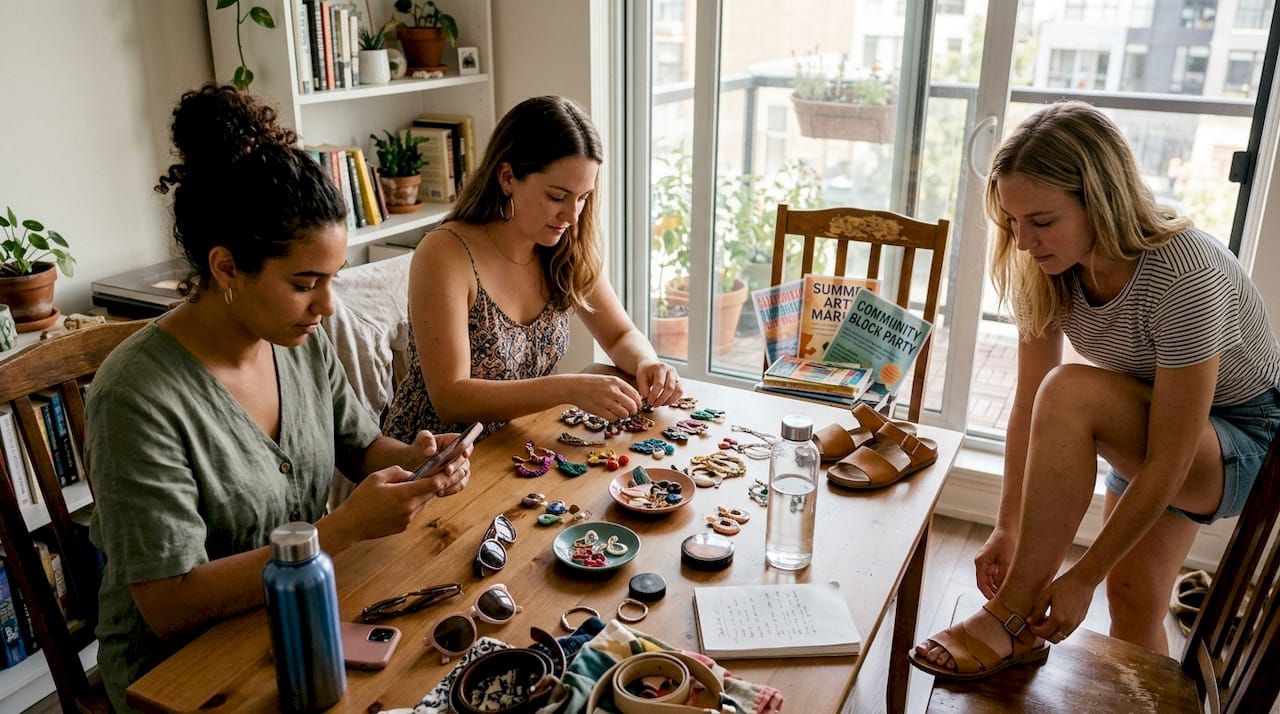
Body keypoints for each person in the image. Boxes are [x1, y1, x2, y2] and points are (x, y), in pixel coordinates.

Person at [85, 84, 473, 711]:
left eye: (333, 280)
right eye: (304, 283)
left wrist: (419, 459)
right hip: (182, 676)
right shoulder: (136, 396)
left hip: (301, 626)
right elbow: (168, 604)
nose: (326, 306)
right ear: (226, 268)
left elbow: (361, 445)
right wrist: (339, 532)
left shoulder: (295, 338)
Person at [912, 100, 1280, 679]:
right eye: (1013, 220)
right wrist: (1006, 527)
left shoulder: (1184, 271)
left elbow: (1171, 455)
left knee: (1072, 392)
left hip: (1238, 435)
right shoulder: (1046, 265)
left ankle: (1008, 619)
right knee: (1132, 600)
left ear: (1101, 200)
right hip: (1142, 415)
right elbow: (1026, 408)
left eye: (1042, 220)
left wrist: (1080, 576)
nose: (1025, 240)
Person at [382, 96, 682, 442]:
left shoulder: (566, 247)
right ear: (507, 177)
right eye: (557, 196)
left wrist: (648, 363)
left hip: (518, 443)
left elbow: (619, 335)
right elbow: (451, 397)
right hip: (434, 458)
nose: (572, 216)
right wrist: (568, 388)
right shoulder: (445, 253)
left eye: (583, 197)